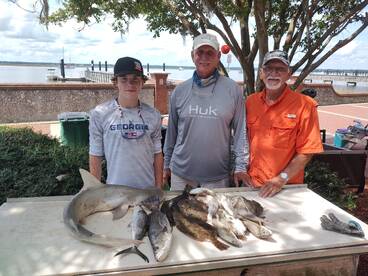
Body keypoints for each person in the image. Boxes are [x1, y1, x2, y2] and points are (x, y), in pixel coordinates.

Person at [163, 33, 250, 190]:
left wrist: (240, 166)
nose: (204, 57)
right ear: (192, 56)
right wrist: (166, 163)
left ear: (218, 57)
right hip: (181, 175)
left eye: (210, 53)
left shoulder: (233, 90)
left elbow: (240, 132)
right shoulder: (180, 91)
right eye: (200, 52)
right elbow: (171, 133)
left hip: (217, 177)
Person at [246, 50, 323, 197]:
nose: (273, 73)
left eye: (280, 69)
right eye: (268, 69)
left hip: (285, 189)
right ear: (261, 73)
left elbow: (307, 151)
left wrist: (281, 179)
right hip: (252, 185)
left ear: (288, 74)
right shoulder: (250, 102)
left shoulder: (305, 105)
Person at [89, 57, 163, 189]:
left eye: (135, 79)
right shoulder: (100, 113)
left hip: (147, 191)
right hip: (115, 192)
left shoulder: (154, 115)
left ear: (142, 83)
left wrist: (158, 188)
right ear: (115, 82)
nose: (130, 84)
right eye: (124, 79)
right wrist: (94, 191)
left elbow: (157, 154)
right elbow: (96, 154)